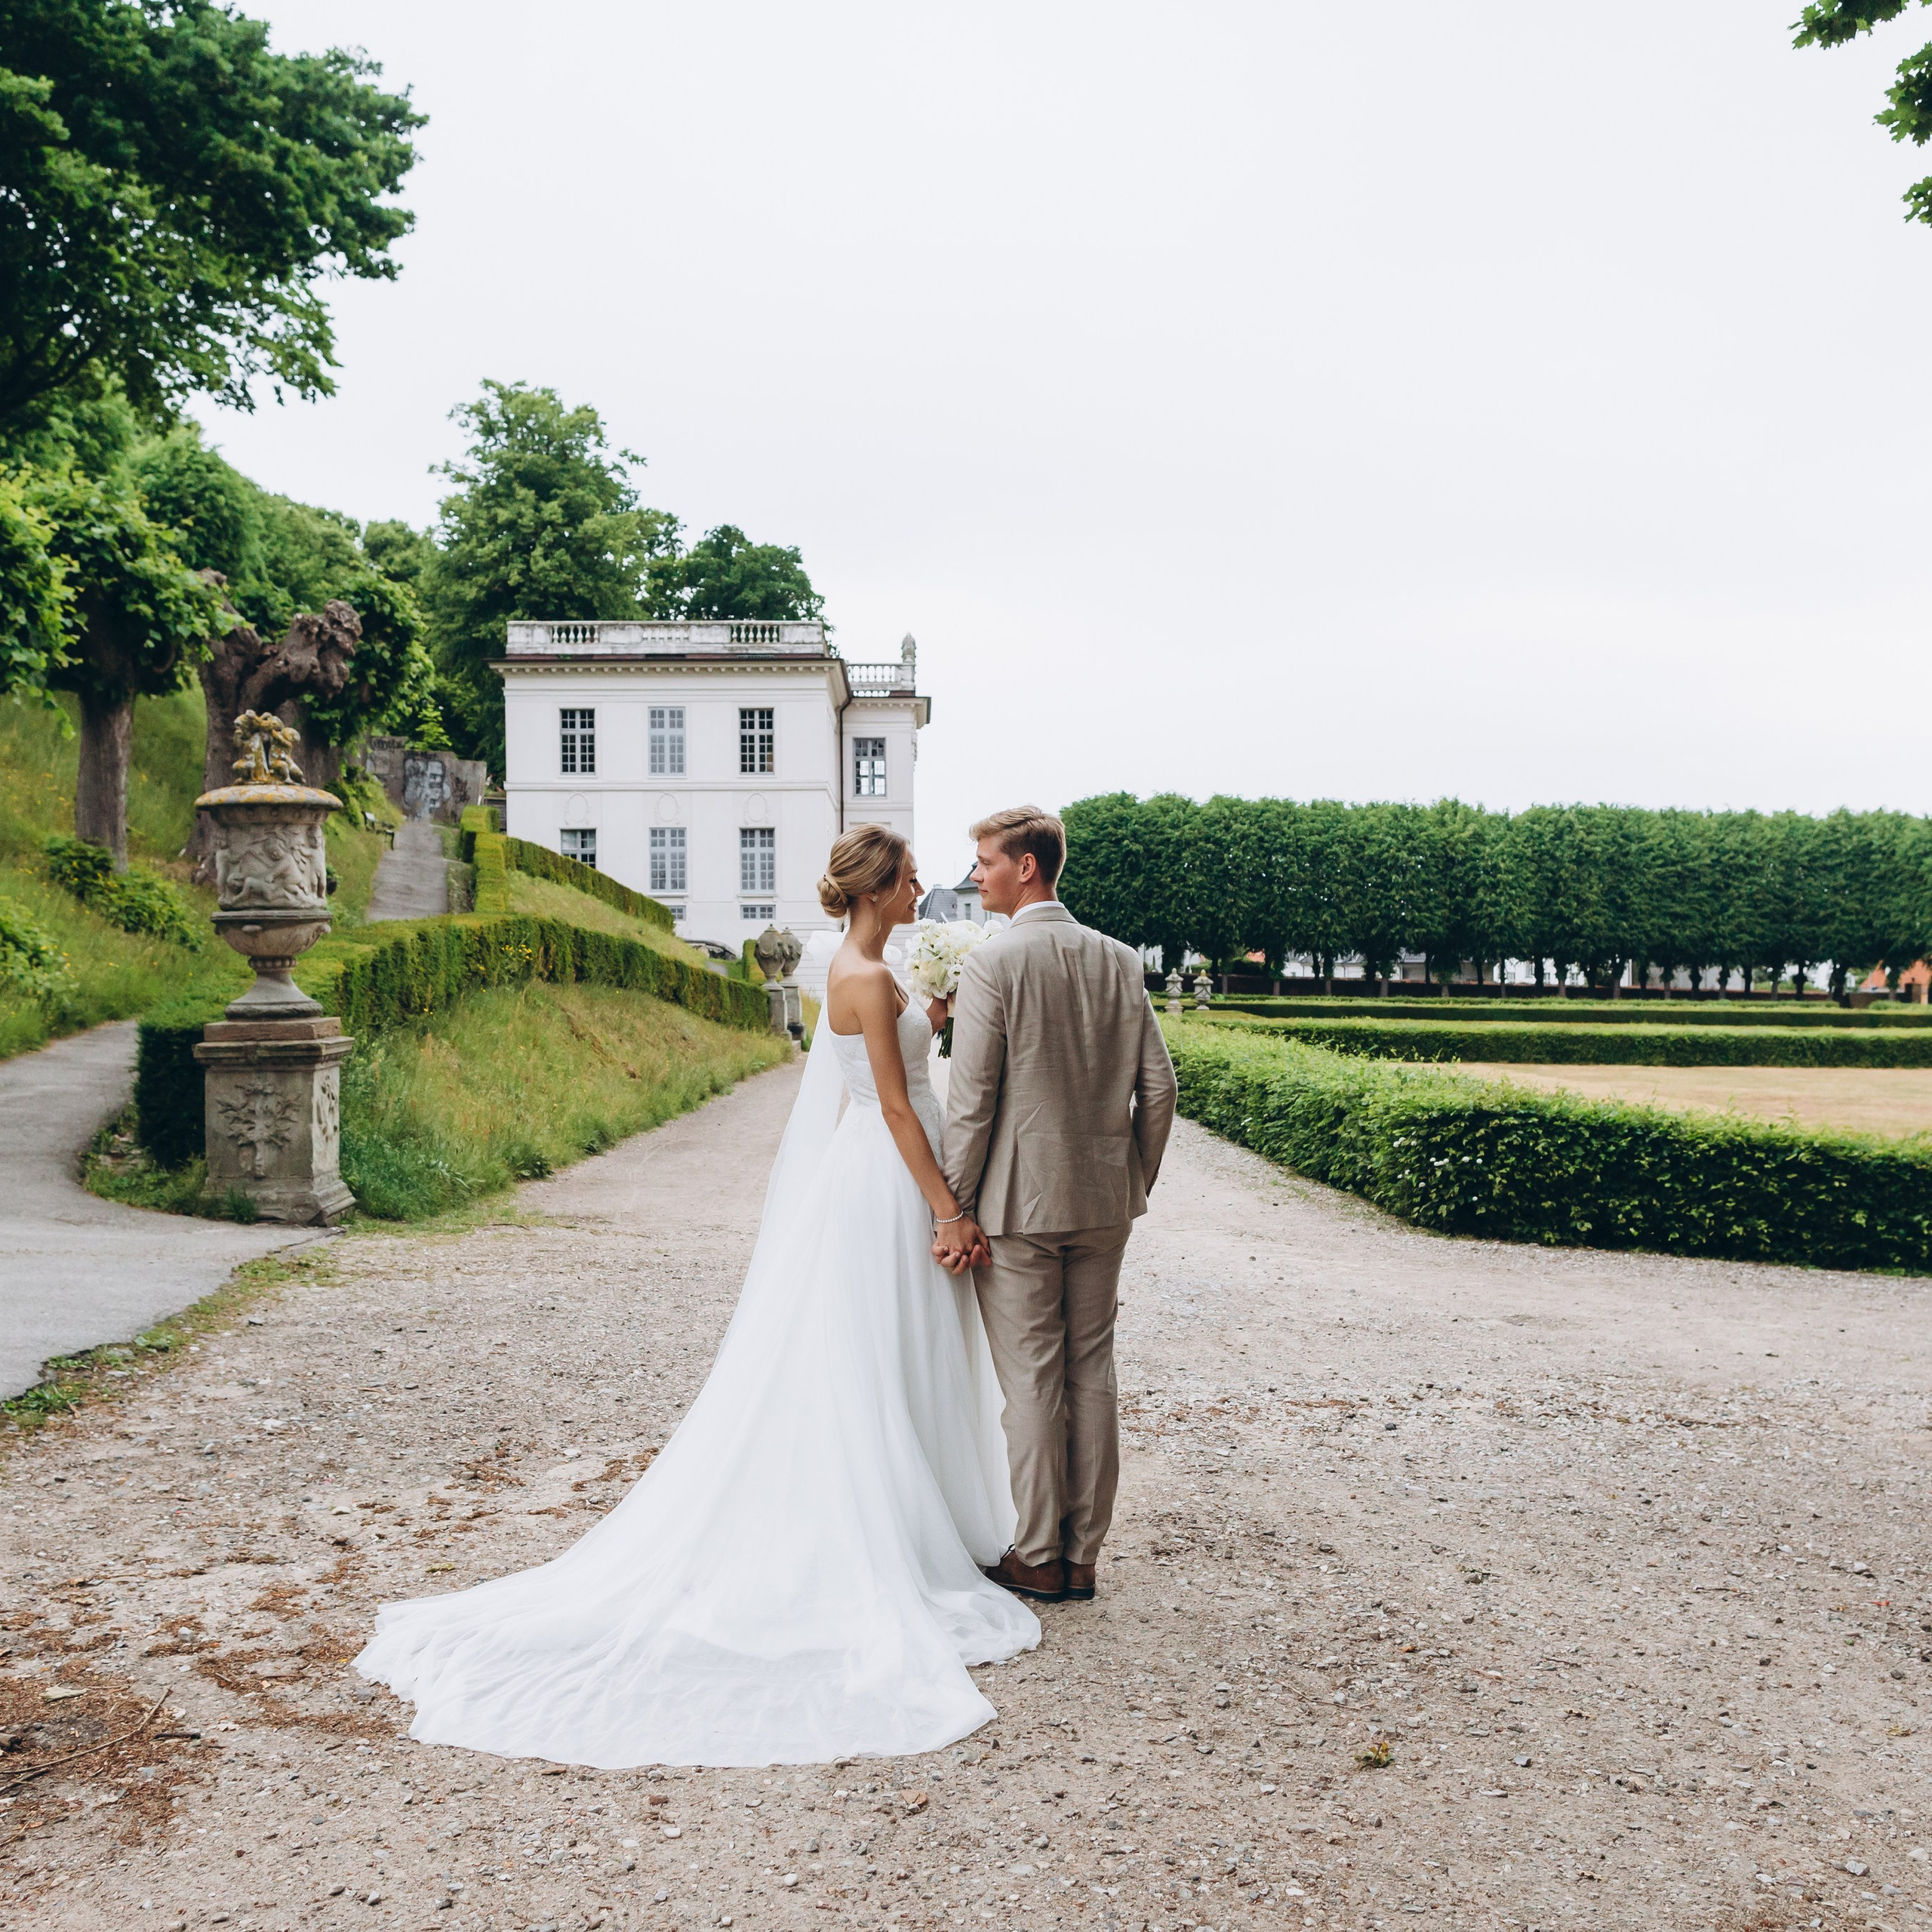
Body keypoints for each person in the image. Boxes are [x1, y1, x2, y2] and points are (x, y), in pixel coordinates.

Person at [353, 825, 1038, 1767]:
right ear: (877, 888)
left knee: (888, 1348)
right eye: (913, 878)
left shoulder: (860, 970)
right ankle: (905, 1530)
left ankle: (928, 1512)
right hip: (891, 1176)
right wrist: (947, 1209)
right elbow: (887, 1103)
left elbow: (876, 1080)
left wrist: (933, 1011)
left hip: (870, 1171)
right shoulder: (866, 979)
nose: (926, 889)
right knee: (891, 1348)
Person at [936, 806, 1177, 1604]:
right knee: (1092, 1373)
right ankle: (1083, 1558)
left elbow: (972, 1102)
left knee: (1034, 1381)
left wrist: (953, 1208)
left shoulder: (993, 964)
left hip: (1015, 1208)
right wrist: (1129, 1181)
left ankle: (1037, 1555)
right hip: (1104, 1202)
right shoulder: (1119, 961)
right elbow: (1158, 1088)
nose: (975, 875)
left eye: (984, 862)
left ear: (1026, 867)